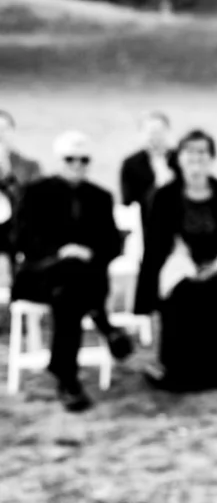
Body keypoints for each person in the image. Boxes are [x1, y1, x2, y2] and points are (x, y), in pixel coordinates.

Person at [134, 129, 217, 392]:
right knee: (182, 297)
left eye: (203, 152)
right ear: (180, 157)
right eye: (190, 151)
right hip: (180, 268)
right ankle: (179, 373)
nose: (196, 157)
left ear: (212, 158)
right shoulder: (164, 197)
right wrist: (145, 301)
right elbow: (153, 249)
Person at [11, 131, 133, 411]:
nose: (77, 165)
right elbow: (22, 239)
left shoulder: (99, 197)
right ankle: (104, 325)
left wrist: (87, 252)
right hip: (42, 275)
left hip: (80, 281)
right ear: (59, 160)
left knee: (69, 292)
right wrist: (60, 251)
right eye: (70, 159)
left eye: (83, 159)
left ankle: (66, 377)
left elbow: (112, 243)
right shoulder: (36, 192)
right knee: (69, 276)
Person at [120, 111, 178, 228]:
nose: (154, 137)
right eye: (150, 132)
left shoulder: (180, 159)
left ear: (168, 132)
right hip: (145, 223)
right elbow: (128, 202)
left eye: (159, 132)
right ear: (141, 134)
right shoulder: (131, 164)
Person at [0, 109, 42, 266]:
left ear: (12, 132)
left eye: (3, 129)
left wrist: (8, 171)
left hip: (18, 230)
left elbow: (34, 200)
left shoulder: (30, 166)